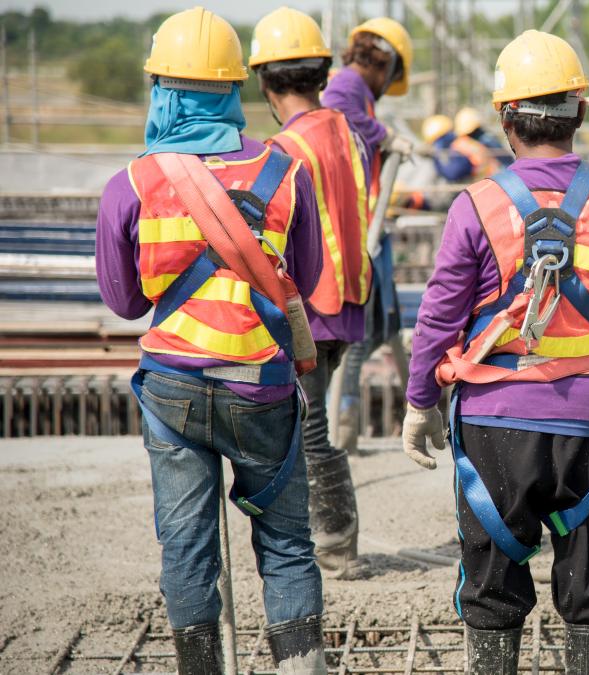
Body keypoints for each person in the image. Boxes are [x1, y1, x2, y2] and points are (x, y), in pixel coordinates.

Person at [399, 30, 589, 675]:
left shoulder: (478, 205)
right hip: (587, 421)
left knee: (491, 579)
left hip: (495, 419)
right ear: (578, 115)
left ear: (505, 120)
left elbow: (439, 315)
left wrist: (419, 402)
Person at [94, 7, 327, 673]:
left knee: (187, 544)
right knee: (286, 542)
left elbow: (125, 300)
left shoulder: (131, 184)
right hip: (261, 387)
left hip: (173, 392)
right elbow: (302, 280)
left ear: (160, 89)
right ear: (234, 89)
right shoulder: (284, 173)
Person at [250, 6, 374, 580]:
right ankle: (334, 542)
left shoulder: (283, 150)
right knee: (313, 420)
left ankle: (334, 544)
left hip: (310, 310)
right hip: (350, 300)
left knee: (310, 427)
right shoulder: (347, 132)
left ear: (267, 83)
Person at [321, 17, 412, 458]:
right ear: (386, 65)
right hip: (361, 233)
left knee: (382, 328)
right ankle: (342, 423)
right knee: (360, 334)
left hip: (370, 227)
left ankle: (346, 420)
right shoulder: (349, 85)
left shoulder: (355, 87)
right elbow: (340, 115)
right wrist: (385, 136)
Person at [422, 113, 500, 182]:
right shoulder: (461, 143)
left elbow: (453, 174)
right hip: (487, 179)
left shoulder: (459, 146)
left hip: (486, 181)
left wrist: (436, 159)